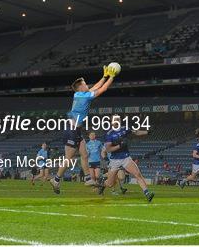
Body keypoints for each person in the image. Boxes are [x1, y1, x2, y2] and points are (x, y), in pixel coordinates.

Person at [50, 65, 117, 194]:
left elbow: (94, 87)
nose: (87, 85)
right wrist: (112, 77)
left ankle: (87, 179)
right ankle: (56, 180)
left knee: (84, 154)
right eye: (85, 84)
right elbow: (102, 89)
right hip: (72, 130)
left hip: (75, 129)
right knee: (68, 158)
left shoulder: (79, 94)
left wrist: (104, 76)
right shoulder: (85, 96)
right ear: (80, 87)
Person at [97, 115, 154, 202]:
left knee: (137, 174)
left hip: (126, 158)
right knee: (110, 184)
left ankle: (147, 193)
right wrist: (120, 146)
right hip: (115, 160)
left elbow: (136, 132)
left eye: (118, 119)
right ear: (111, 122)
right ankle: (102, 185)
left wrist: (147, 132)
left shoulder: (125, 129)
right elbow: (108, 149)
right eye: (115, 120)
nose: (117, 121)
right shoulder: (109, 134)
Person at [178, 131, 199, 197]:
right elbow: (194, 155)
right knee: (192, 177)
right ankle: (184, 181)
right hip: (196, 164)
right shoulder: (197, 146)